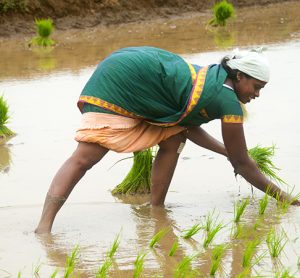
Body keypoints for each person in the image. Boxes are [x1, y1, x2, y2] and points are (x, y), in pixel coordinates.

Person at [35, 46, 299, 234]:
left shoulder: (214, 79)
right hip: (124, 80)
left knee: (173, 140)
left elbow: (186, 128)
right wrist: (286, 198)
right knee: (86, 157)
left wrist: (229, 153)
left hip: (130, 66)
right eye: (257, 86)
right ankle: (43, 227)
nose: (257, 94)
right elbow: (242, 164)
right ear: (239, 76)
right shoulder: (226, 100)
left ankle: (156, 209)